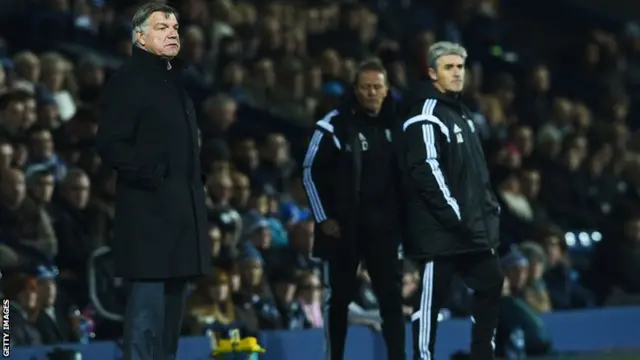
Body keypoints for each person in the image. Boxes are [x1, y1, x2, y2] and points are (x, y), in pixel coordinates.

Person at [95, 3, 210, 360]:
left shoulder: (174, 84)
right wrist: (152, 174)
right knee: (146, 319)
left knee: (170, 324)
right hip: (148, 220)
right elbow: (110, 143)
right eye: (162, 27)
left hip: (179, 221)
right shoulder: (129, 80)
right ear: (140, 37)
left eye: (175, 27)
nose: (173, 32)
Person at [397, 41, 503, 360]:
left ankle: (483, 354)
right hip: (440, 233)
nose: (457, 73)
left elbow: (476, 174)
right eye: (448, 67)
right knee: (430, 301)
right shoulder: (425, 115)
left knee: (492, 281)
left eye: (460, 67)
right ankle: (422, 357)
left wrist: (488, 210)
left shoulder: (462, 114)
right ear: (432, 73)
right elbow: (426, 170)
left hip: (472, 228)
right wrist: (454, 216)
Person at [302, 59, 405, 360]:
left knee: (392, 301)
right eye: (365, 87)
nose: (371, 92)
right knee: (340, 300)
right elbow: (310, 172)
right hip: (345, 228)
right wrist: (323, 219)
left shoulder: (399, 125)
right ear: (355, 89)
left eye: (377, 87)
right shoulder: (333, 125)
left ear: (387, 90)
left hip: (385, 229)